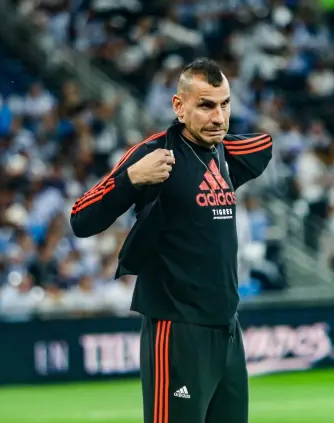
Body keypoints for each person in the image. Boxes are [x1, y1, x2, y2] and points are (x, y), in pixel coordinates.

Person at [70, 58, 272, 423]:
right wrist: (131, 179)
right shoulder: (155, 154)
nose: (219, 118)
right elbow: (81, 219)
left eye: (225, 104)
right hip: (177, 328)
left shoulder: (221, 152)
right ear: (179, 107)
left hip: (227, 327)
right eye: (206, 105)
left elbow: (262, 147)